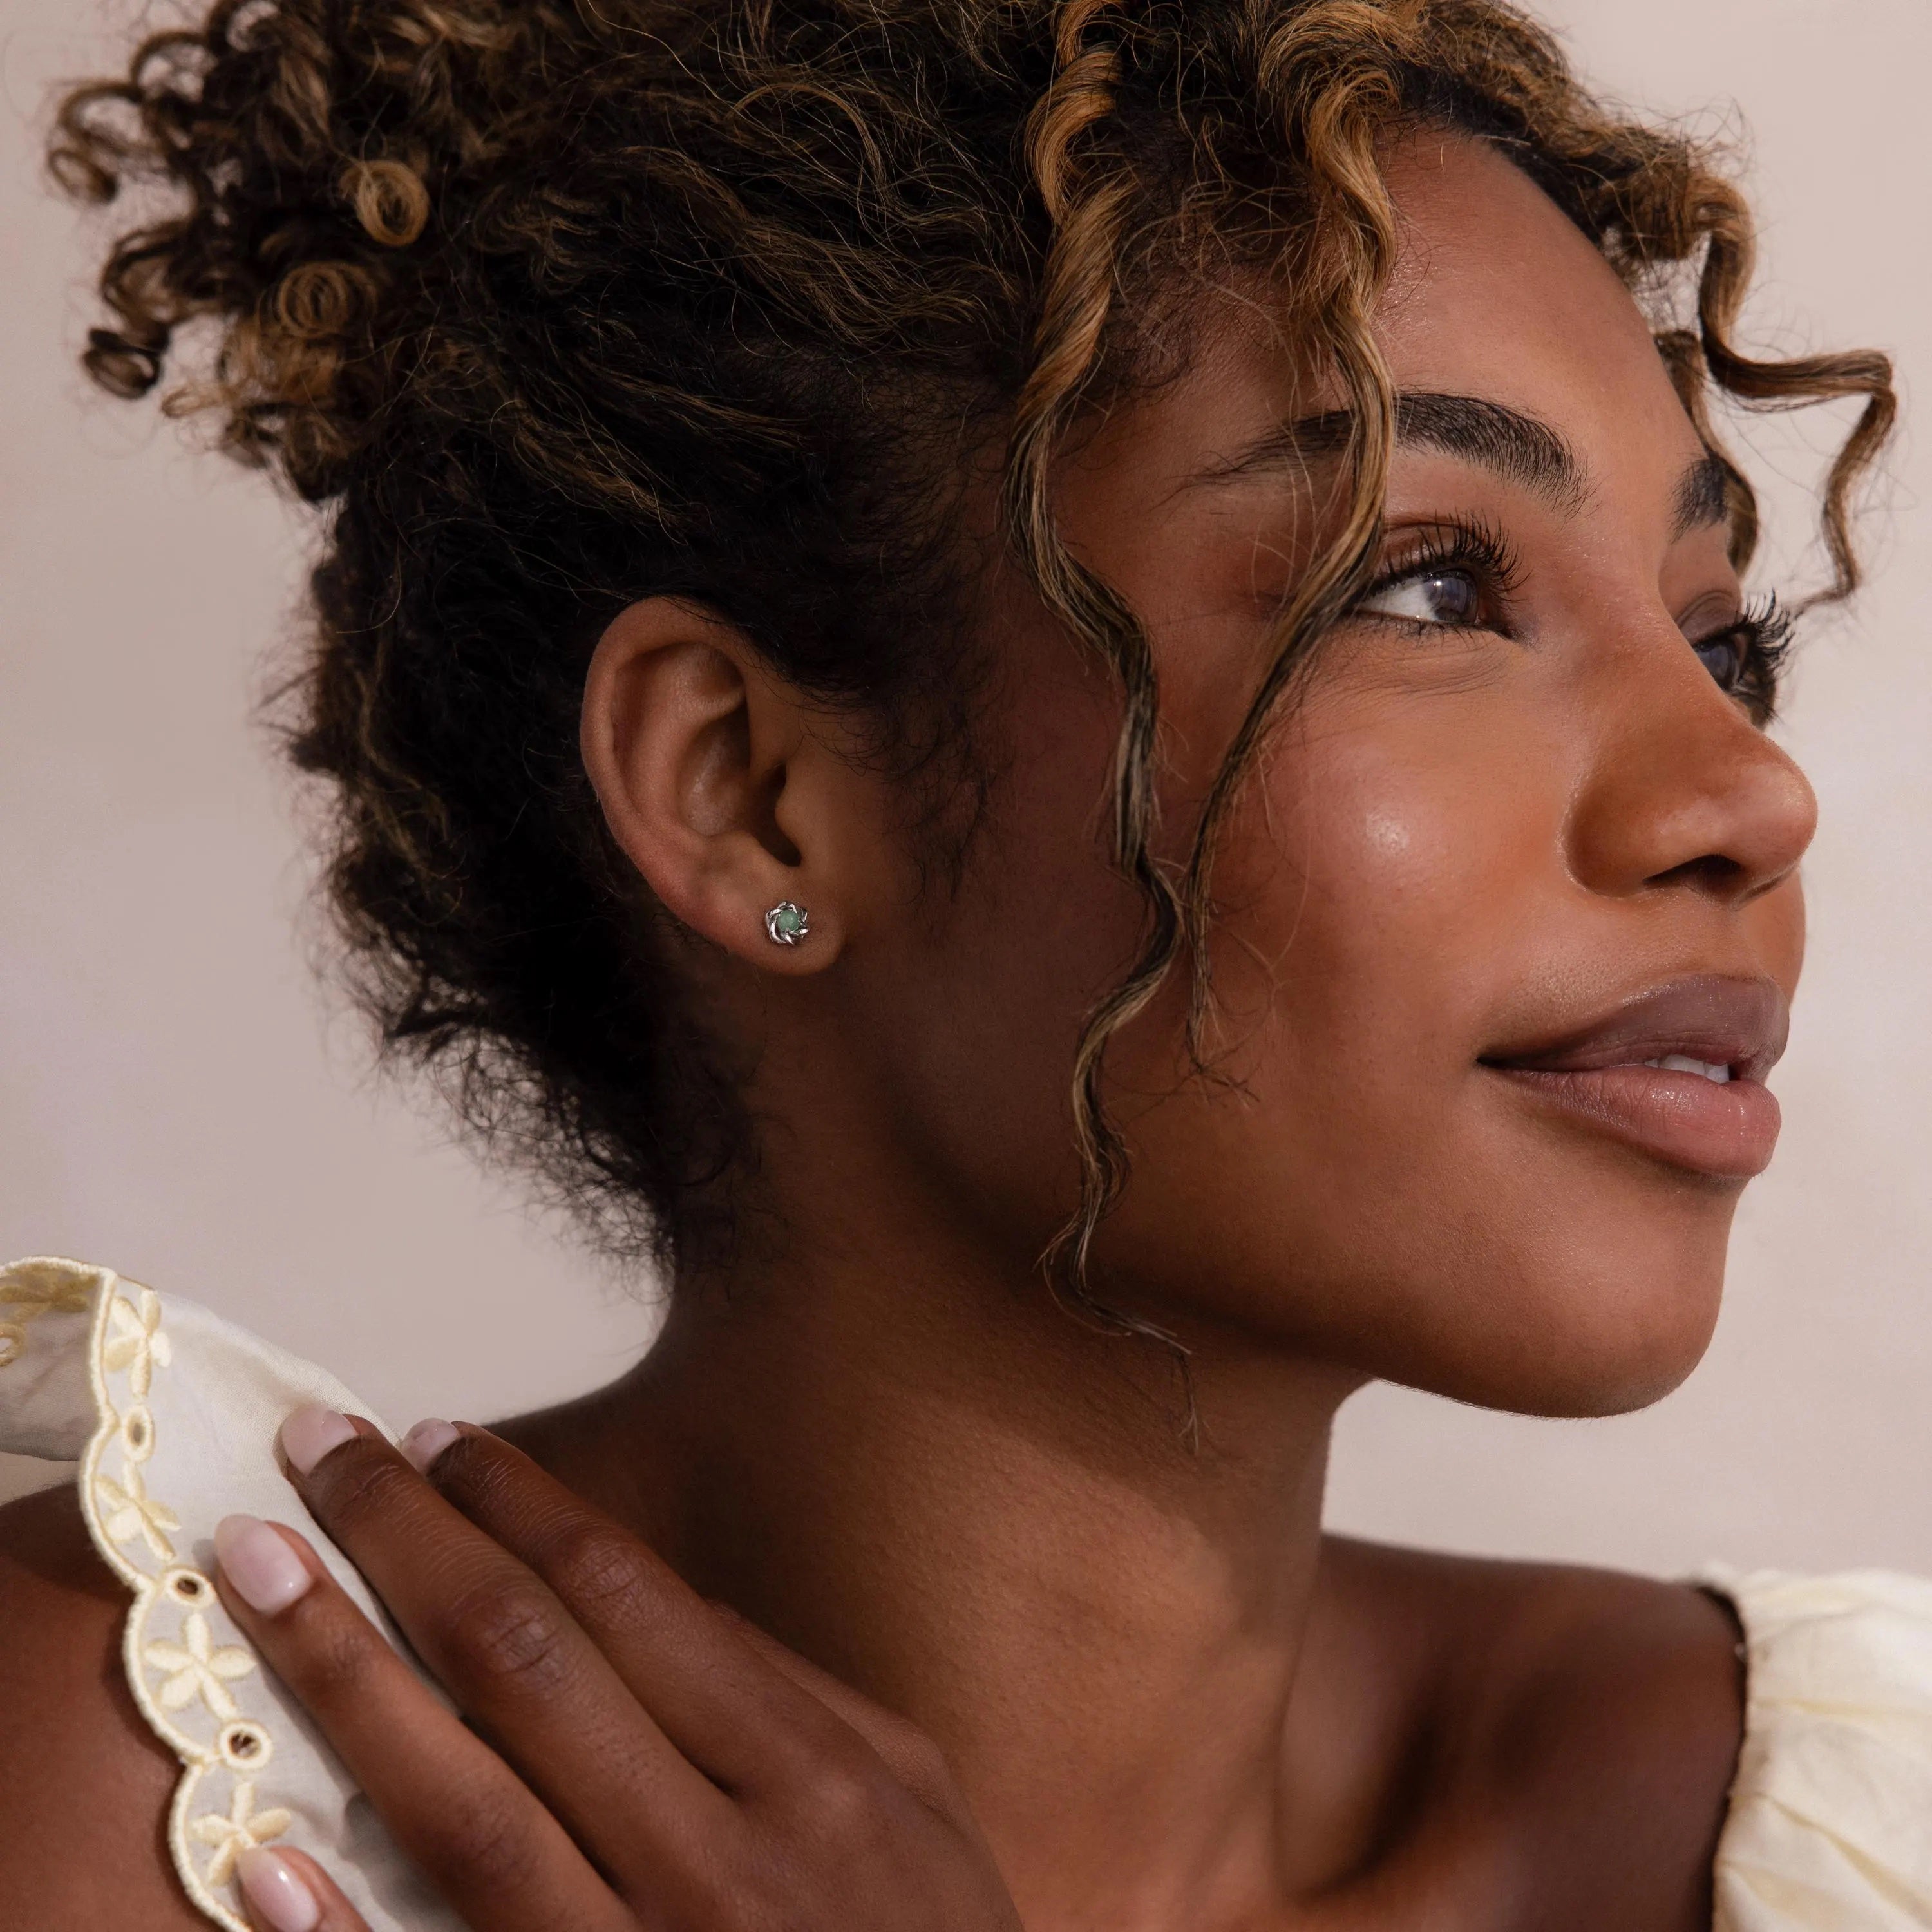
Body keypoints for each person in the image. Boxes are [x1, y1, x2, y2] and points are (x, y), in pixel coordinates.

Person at [0, 1, 1922, 1927]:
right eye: (1424, 587)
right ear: (749, 796)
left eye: (1721, 637)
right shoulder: (166, 1771)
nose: (1745, 794)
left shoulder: (1860, 1819)